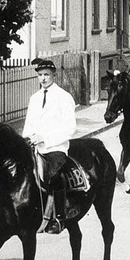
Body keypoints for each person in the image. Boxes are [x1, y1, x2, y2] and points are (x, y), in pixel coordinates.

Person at [23, 59, 76, 234]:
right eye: (40, 75)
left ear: (54, 75)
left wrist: (45, 138)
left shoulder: (64, 97)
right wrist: (27, 139)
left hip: (55, 146)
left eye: (46, 75)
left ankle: (59, 218)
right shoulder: (35, 98)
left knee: (54, 175)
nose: (43, 79)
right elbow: (29, 124)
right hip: (35, 147)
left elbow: (70, 128)